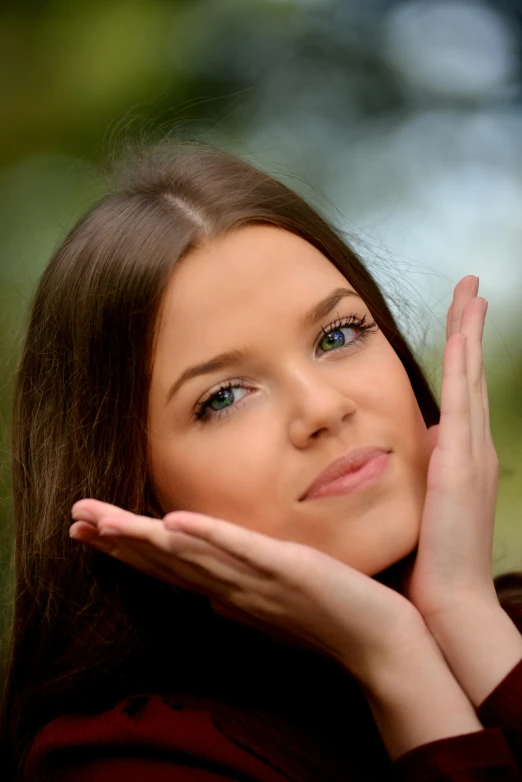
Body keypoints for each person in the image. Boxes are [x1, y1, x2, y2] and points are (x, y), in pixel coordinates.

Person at [1, 140, 522, 781]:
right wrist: (397, 663)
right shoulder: (127, 762)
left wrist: (468, 617)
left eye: (338, 335)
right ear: (134, 488)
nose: (323, 410)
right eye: (223, 396)